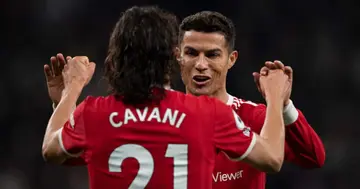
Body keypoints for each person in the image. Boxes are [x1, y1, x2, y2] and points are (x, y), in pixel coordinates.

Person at [42, 6, 291, 189]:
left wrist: (71, 89)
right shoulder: (206, 112)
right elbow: (271, 157)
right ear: (172, 58)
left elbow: (50, 149)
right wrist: (275, 95)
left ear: (115, 57)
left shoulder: (93, 113)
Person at [176, 11, 326, 189]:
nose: (200, 64)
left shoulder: (253, 117)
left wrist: (283, 104)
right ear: (178, 57)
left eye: (212, 55)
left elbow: (313, 157)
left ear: (231, 59)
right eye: (192, 53)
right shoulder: (162, 117)